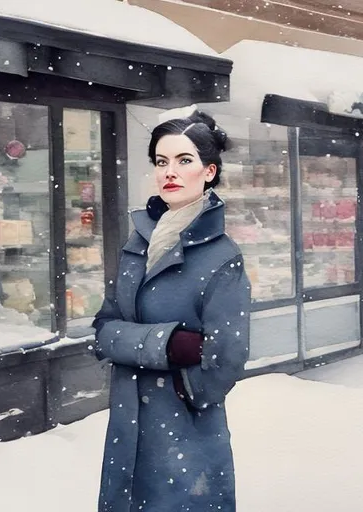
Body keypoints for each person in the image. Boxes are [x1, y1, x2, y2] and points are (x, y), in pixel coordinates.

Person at [92, 109, 251, 512]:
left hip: (183, 427)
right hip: (127, 426)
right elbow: (104, 330)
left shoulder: (221, 257)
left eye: (184, 161)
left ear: (209, 171)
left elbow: (225, 358)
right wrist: (166, 345)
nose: (170, 172)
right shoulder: (138, 244)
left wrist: (184, 385)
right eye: (162, 162)